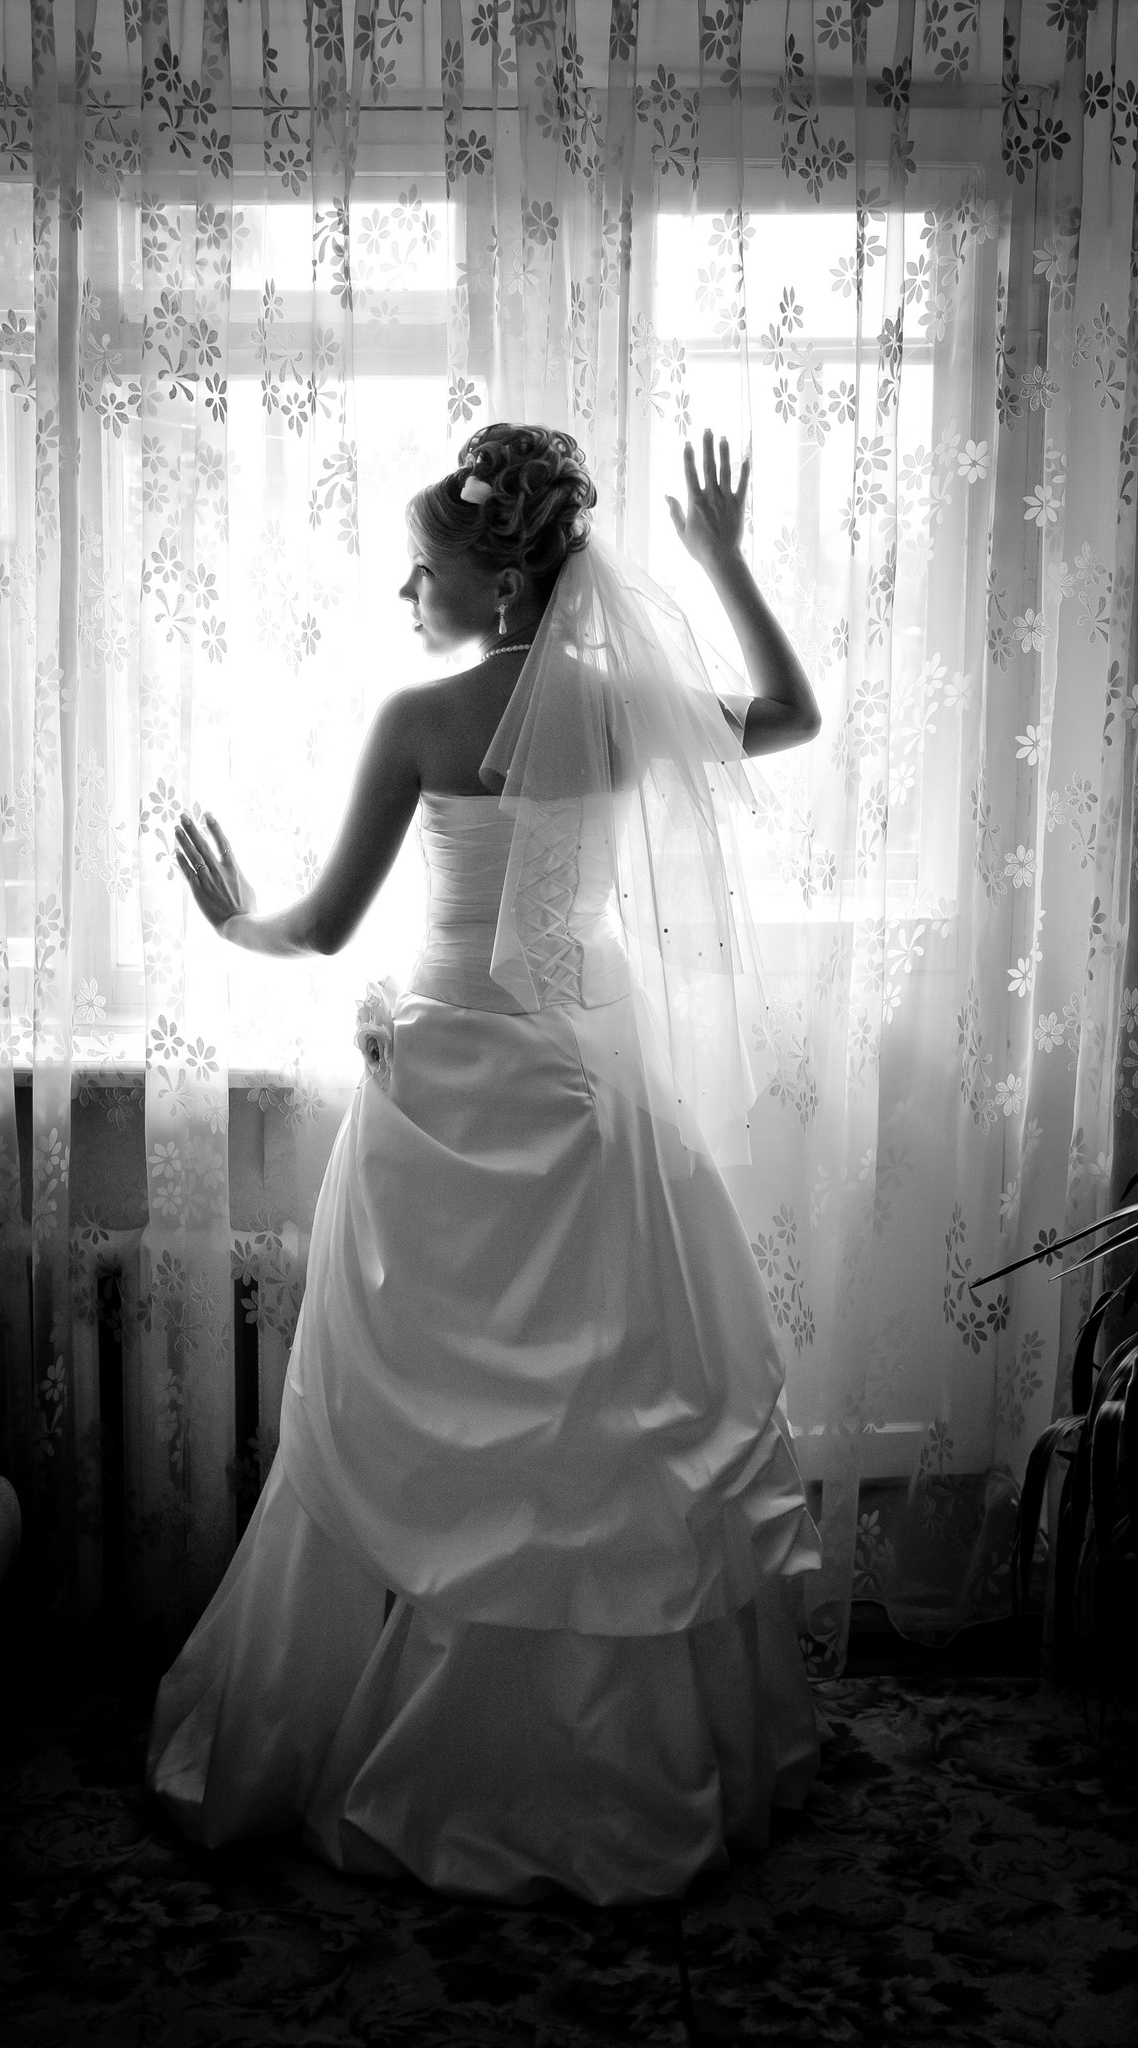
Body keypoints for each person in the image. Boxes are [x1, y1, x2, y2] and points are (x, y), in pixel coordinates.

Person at [148, 422, 824, 1907]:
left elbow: (324, 927)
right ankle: (607, 1775)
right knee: (604, 1435)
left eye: (423, 569)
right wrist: (724, 563)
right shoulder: (618, 711)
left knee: (432, 1433)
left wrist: (233, 920)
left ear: (498, 580)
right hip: (580, 1099)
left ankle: (415, 1763)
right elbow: (791, 713)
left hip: (445, 1101)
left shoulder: (419, 718)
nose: (407, 595)